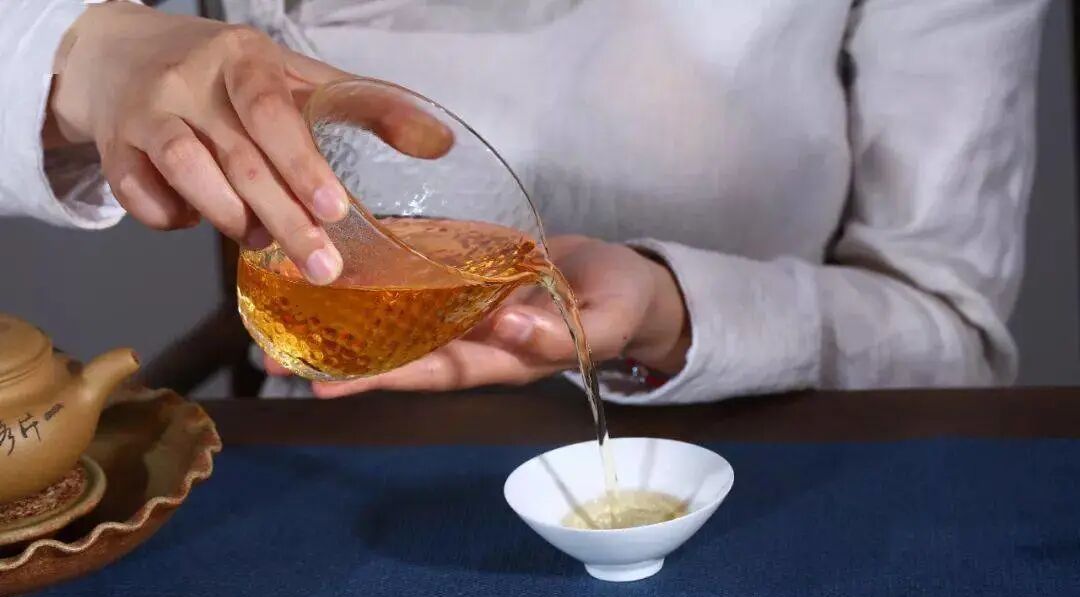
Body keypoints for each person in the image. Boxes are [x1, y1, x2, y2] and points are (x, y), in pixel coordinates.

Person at [0, 0, 1049, 404]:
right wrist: (86, 51)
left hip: (772, 476)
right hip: (337, 471)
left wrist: (678, 311)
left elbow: (948, 333)